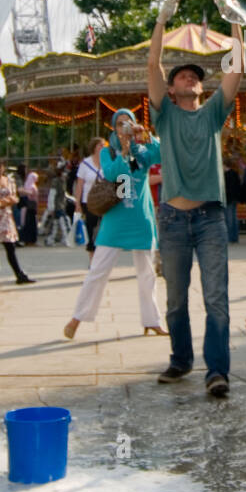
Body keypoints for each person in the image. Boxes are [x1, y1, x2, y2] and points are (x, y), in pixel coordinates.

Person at [147, 0, 243, 396]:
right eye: (182, 75)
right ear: (170, 89)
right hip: (172, 218)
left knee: (216, 298)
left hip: (209, 218)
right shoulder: (164, 115)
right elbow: (152, 63)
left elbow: (237, 65)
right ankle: (181, 360)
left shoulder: (213, 113)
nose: (190, 78)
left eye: (195, 75)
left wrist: (236, 22)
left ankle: (216, 371)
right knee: (174, 300)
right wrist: (161, 20)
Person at [64, 109, 166, 340]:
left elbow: (161, 154)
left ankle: (152, 320)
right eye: (120, 124)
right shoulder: (109, 152)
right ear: (114, 128)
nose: (125, 127)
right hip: (116, 219)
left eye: (128, 122)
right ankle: (77, 318)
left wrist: (146, 135)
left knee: (147, 273)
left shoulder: (144, 151)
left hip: (141, 217)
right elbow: (113, 175)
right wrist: (125, 149)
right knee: (98, 270)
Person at [0, 159, 35, 285]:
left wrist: (3, 202)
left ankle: (19, 274)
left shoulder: (9, 181)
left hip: (6, 216)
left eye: (0, 167)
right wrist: (2, 201)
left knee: (10, 247)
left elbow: (14, 197)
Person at [74, 136, 107, 261]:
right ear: (94, 147)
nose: (103, 148)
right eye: (100, 145)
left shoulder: (107, 162)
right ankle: (92, 259)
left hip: (105, 201)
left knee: (104, 229)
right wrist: (77, 202)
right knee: (91, 229)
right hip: (89, 201)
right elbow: (80, 184)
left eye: (104, 145)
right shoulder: (85, 164)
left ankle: (102, 258)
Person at [19, 167, 39, 245]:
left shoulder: (27, 185)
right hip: (32, 207)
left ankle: (27, 240)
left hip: (29, 207)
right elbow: (31, 193)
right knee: (31, 223)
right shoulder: (32, 186)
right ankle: (30, 240)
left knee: (28, 223)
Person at [224, 157, 242, 243]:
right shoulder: (235, 173)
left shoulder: (226, 175)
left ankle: (230, 237)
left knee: (229, 218)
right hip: (235, 198)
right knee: (234, 217)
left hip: (228, 198)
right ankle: (235, 237)